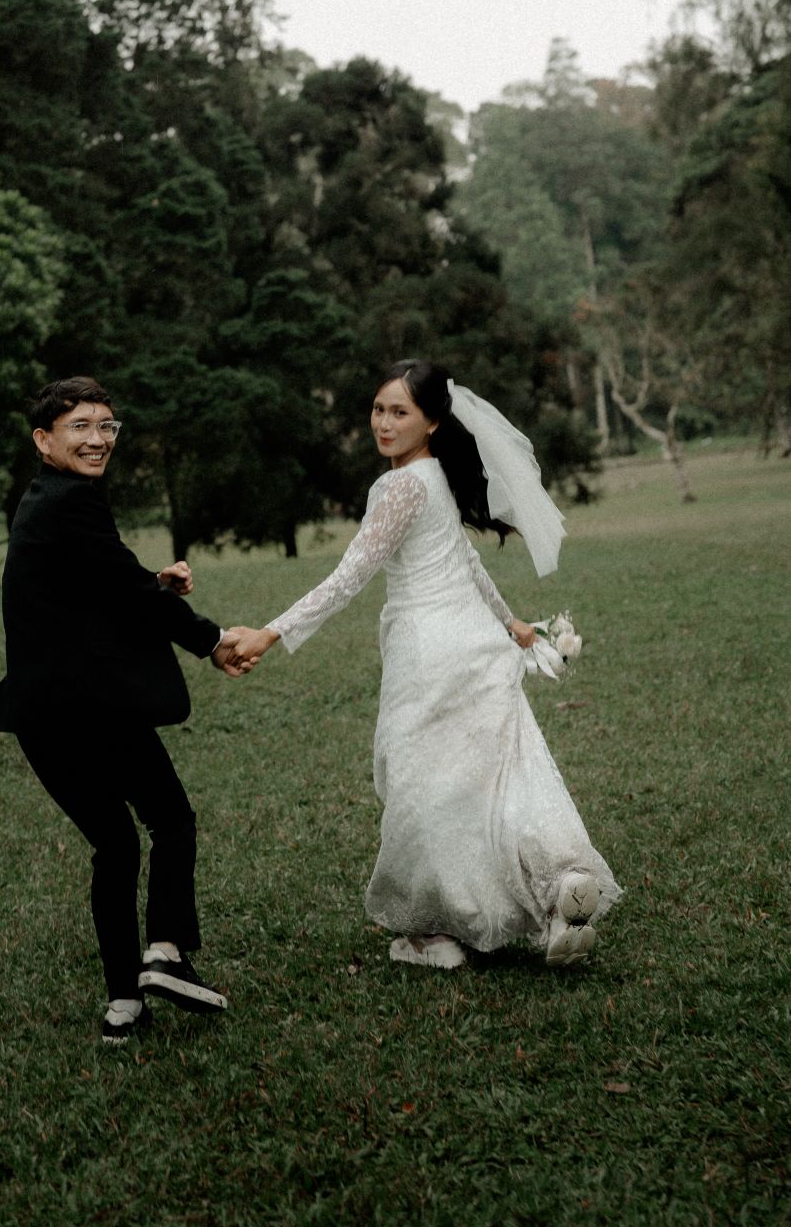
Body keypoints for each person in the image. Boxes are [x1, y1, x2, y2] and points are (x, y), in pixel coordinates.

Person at [226, 360, 621, 970]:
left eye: (400, 412)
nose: (383, 423)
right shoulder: (434, 476)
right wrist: (509, 622)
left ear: (432, 422)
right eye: (378, 409)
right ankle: (557, 885)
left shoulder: (400, 487)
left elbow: (349, 576)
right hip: (473, 644)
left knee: (422, 789)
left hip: (427, 652)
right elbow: (466, 559)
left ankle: (433, 930)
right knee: (500, 780)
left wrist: (272, 632)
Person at [0, 376, 255, 1044]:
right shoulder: (73, 501)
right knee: (172, 820)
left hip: (39, 716)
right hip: (86, 709)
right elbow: (123, 596)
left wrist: (152, 581)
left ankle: (123, 1007)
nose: (98, 438)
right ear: (43, 440)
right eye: (80, 426)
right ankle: (164, 953)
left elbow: (92, 585)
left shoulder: (42, 500)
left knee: (115, 846)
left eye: (107, 426)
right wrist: (213, 639)